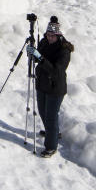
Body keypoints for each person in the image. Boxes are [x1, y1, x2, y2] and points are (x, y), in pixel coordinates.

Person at [28, 17, 73, 158]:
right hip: (42, 84)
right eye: (48, 35)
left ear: (58, 35)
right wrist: (33, 54)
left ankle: (51, 147)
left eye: (52, 35)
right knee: (43, 112)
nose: (49, 37)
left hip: (55, 88)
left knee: (51, 117)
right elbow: (37, 59)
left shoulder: (64, 50)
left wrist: (40, 58)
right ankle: (53, 132)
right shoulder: (44, 42)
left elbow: (56, 71)